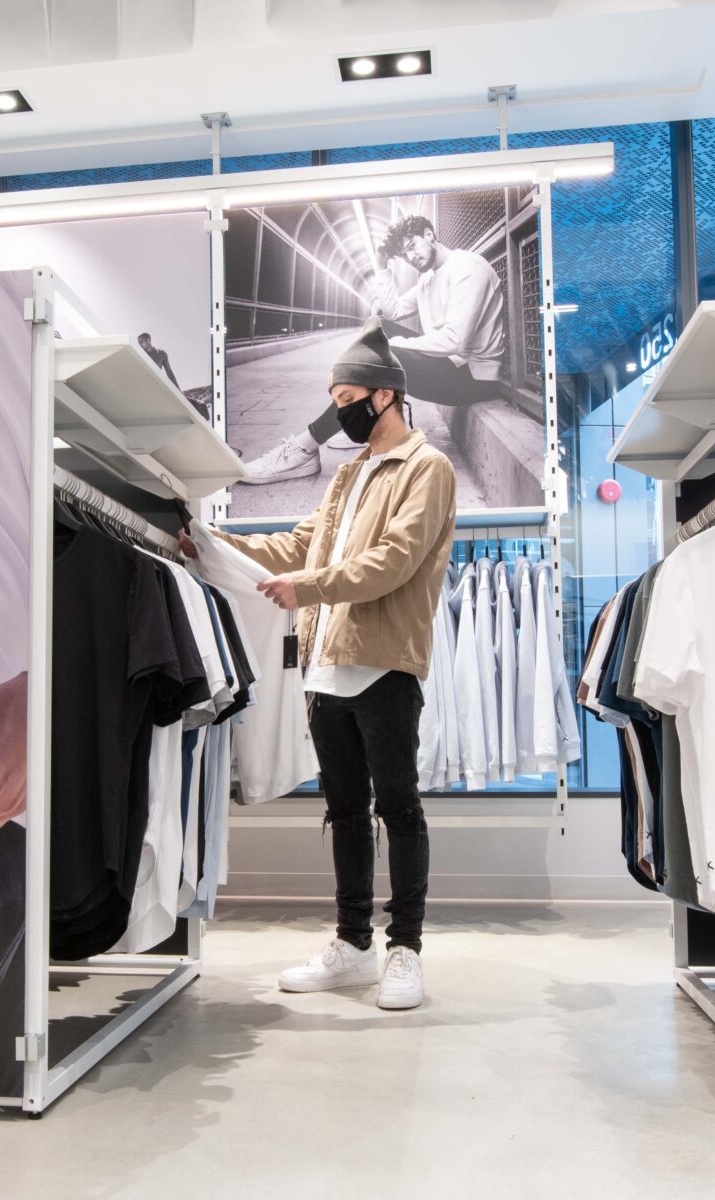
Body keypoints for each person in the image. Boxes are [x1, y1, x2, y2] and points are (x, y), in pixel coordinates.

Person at [183, 318, 458, 1008]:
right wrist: (207, 542)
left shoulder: (426, 469)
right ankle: (353, 943)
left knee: (398, 807)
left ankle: (406, 950)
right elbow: (300, 545)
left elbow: (393, 561)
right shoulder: (349, 478)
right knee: (343, 809)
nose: (339, 410)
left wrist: (307, 588)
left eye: (347, 395)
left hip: (386, 663)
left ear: (385, 396)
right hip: (326, 664)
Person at [239, 215, 508, 485]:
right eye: (404, 254)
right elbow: (393, 311)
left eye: (412, 246)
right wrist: (382, 268)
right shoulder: (428, 279)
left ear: (429, 234)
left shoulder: (468, 268)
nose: (410, 257)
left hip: (472, 379)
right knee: (378, 327)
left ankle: (305, 448)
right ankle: (358, 421)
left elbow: (454, 340)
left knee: (381, 359)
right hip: (450, 366)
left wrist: (392, 348)